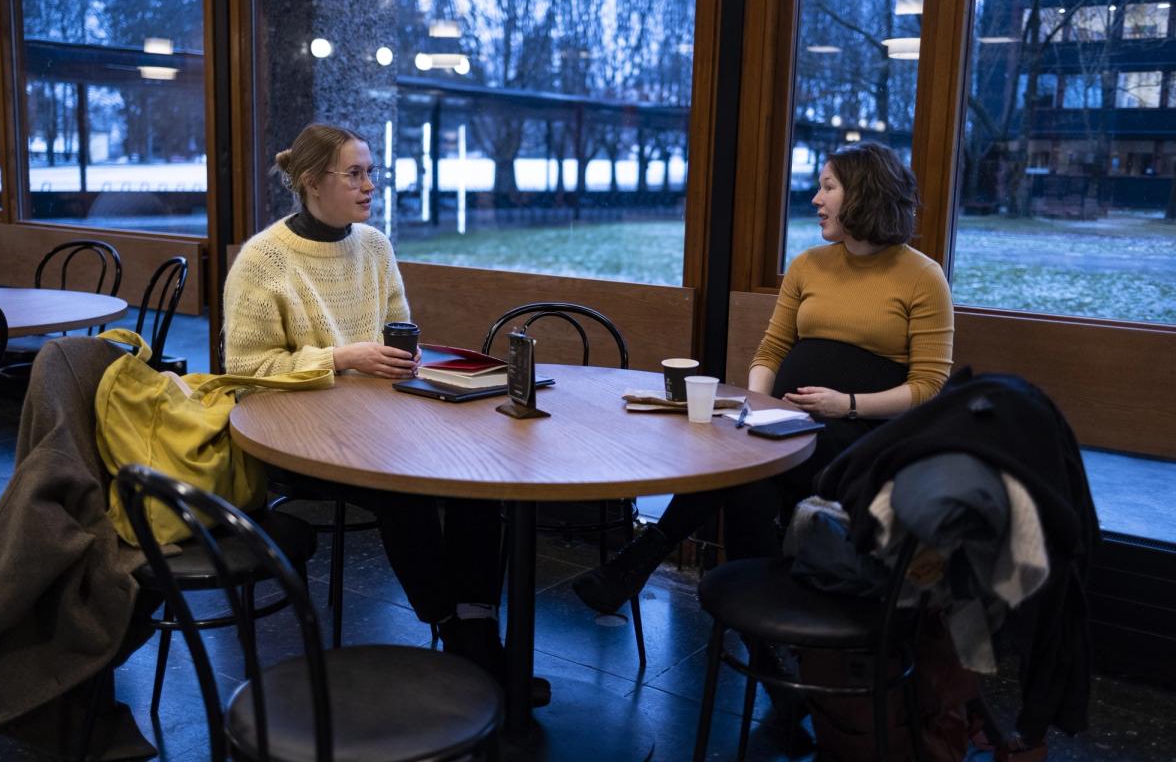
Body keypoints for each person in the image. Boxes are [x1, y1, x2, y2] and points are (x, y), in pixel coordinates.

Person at [573, 140, 955, 615]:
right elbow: (771, 351)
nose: (815, 199)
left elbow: (929, 387)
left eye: (828, 187)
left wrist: (847, 404)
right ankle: (762, 628)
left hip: (865, 437)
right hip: (790, 424)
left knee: (745, 468)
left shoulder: (922, 276)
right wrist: (758, 407)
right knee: (747, 480)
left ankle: (645, 558)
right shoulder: (809, 265)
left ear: (864, 193)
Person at [223, 123, 521, 694]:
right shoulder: (263, 260)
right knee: (402, 489)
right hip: (298, 438)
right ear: (312, 182)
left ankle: (477, 626)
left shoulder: (374, 245)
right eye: (355, 174)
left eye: (371, 173)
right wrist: (340, 357)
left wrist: (404, 358)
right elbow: (246, 373)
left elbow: (397, 331)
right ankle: (455, 632)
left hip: (381, 421)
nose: (369, 186)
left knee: (478, 472)